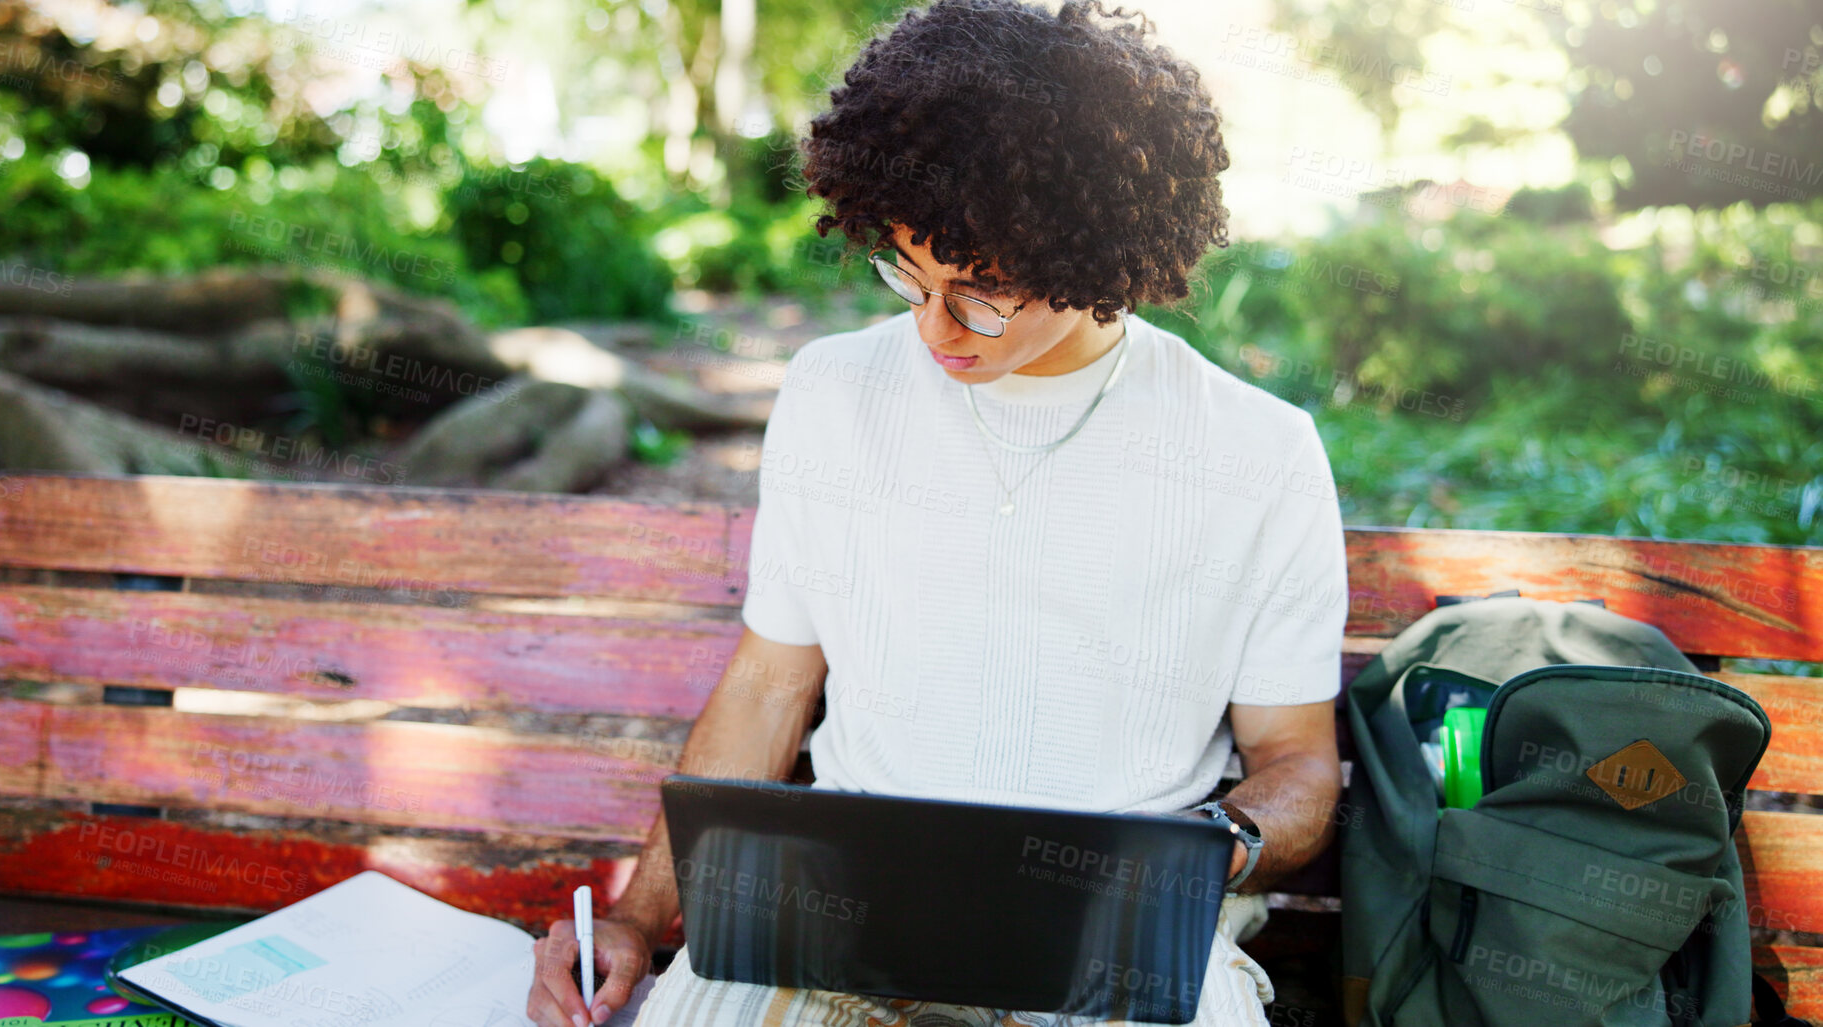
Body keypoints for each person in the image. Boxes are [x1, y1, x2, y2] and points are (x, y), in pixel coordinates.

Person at [526, 0, 1347, 1024]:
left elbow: (1297, 761)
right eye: (908, 277)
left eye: (984, 292)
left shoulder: (1255, 452)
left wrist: (1217, 849)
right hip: (839, 913)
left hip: (1113, 939)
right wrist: (638, 922)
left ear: (1104, 259)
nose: (936, 331)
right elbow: (771, 687)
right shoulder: (832, 392)